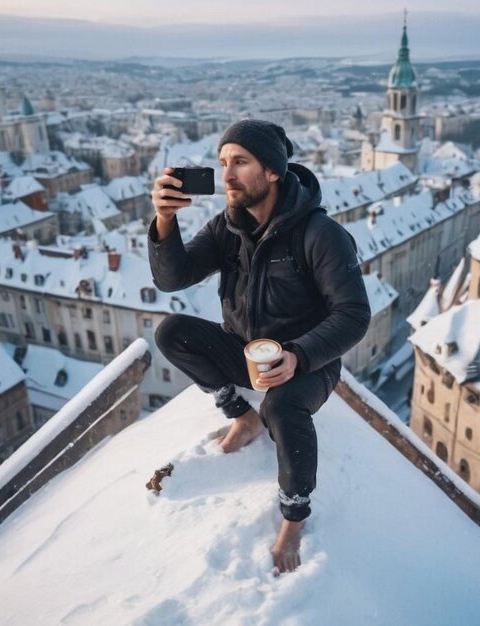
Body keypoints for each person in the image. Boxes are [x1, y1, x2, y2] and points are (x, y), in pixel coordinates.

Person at [148, 119, 370, 574]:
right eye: (223, 163)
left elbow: (353, 315)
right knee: (171, 331)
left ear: (272, 171)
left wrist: (298, 356)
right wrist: (164, 220)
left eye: (240, 163)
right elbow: (173, 278)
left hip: (308, 360)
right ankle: (241, 416)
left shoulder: (319, 234)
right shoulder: (228, 227)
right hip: (246, 350)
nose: (226, 175)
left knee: (284, 407)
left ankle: (294, 515)